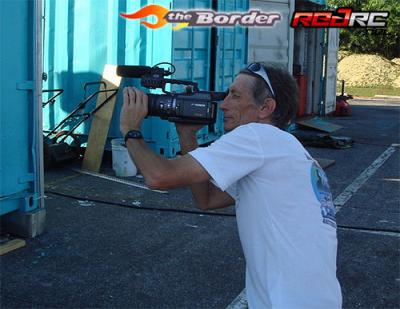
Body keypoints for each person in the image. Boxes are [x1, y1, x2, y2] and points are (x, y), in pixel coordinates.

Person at [119, 62, 342, 308]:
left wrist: (130, 129)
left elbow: (159, 177)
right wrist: (187, 135)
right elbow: (208, 200)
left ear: (266, 107)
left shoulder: (257, 136)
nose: (224, 104)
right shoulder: (288, 150)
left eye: (235, 96)